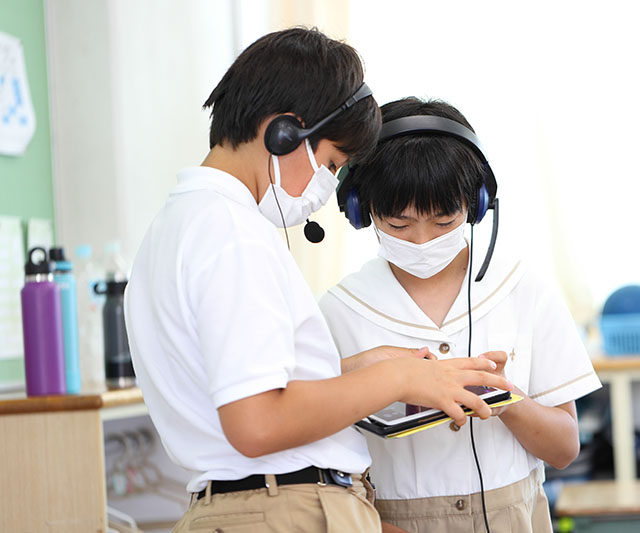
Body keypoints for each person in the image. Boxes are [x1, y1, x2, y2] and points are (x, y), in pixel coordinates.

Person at [124, 29, 511, 533]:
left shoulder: (182, 224)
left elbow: (236, 387)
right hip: (281, 506)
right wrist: (398, 379)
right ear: (284, 132)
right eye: (331, 162)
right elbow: (257, 423)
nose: (328, 185)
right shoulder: (232, 234)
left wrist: (356, 369)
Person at [319, 97, 602, 532]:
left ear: (477, 204)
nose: (421, 240)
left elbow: (565, 448)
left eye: (443, 220)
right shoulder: (339, 310)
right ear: (360, 209)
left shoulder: (524, 289)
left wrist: (502, 397)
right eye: (398, 224)